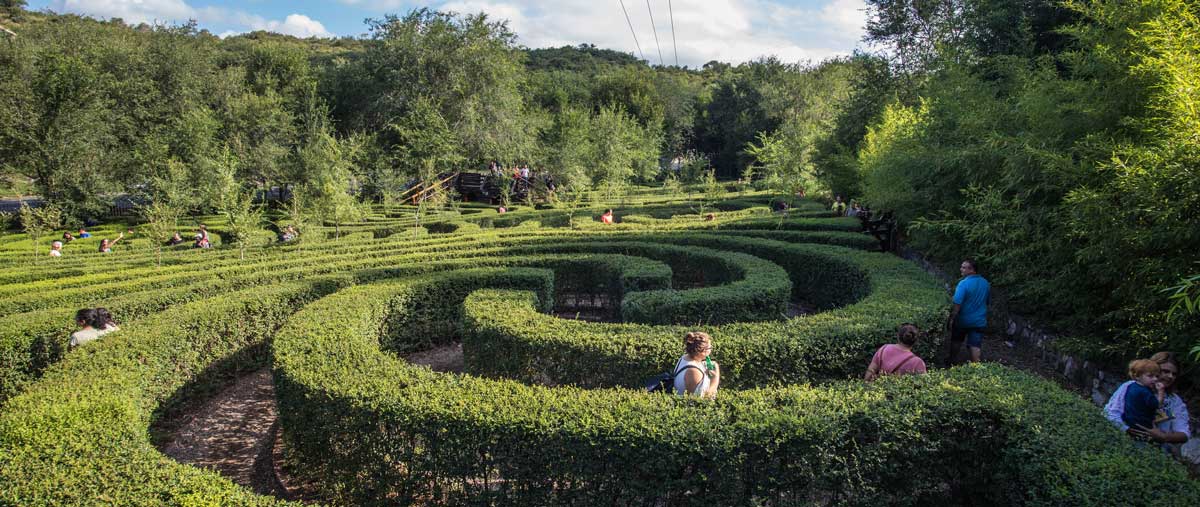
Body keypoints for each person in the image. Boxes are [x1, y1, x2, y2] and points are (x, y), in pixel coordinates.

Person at [1104, 352, 1191, 450]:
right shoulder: (1130, 387)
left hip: (1154, 451)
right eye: (1165, 371)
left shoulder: (1174, 400)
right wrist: (1126, 429)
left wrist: (1164, 437)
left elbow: (1184, 434)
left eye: (1174, 374)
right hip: (1123, 442)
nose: (1170, 376)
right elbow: (1111, 412)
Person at [946, 259, 990, 364]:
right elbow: (987, 301)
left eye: (964, 267)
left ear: (972, 270)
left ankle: (952, 361)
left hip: (963, 320)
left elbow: (957, 303)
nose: (961, 269)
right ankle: (975, 366)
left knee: (956, 340)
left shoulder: (963, 283)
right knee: (975, 344)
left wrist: (952, 318)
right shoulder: (986, 283)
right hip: (979, 320)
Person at [673, 331, 720, 399]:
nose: (711, 350)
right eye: (710, 348)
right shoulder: (693, 372)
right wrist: (715, 379)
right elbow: (700, 400)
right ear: (702, 351)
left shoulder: (684, 358)